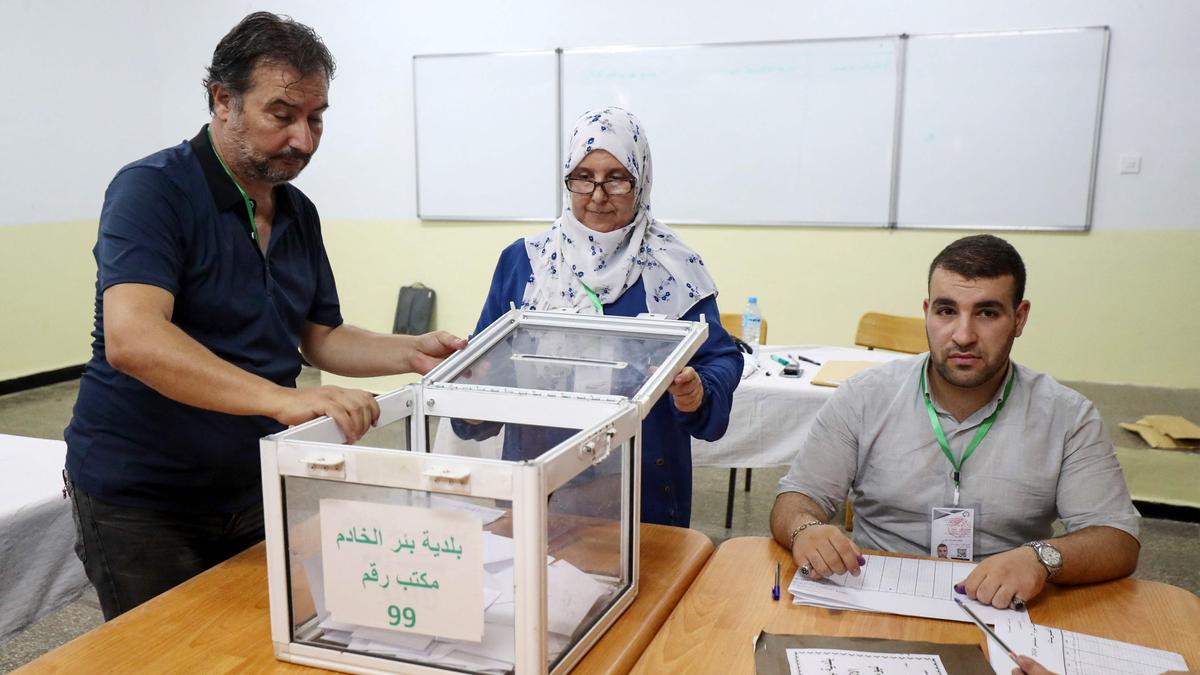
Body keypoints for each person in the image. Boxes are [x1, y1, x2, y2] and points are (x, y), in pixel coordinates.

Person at [64, 12, 465, 620]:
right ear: (223, 100)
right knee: (165, 655)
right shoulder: (152, 190)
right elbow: (134, 338)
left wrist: (411, 353)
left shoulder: (297, 211)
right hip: (144, 497)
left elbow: (321, 336)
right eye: (282, 115)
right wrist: (281, 400)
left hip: (252, 480)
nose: (303, 139)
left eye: (316, 117)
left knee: (261, 638)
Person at [769, 234, 1140, 609]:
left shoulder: (1067, 416)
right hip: (875, 597)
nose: (963, 336)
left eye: (987, 313)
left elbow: (1118, 540)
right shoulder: (864, 397)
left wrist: (1040, 558)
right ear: (927, 312)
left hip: (1005, 605)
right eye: (947, 311)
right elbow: (797, 499)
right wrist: (806, 528)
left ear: (1020, 318)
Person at [455, 108, 742, 527]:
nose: (597, 194)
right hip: (541, 489)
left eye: (617, 178)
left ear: (640, 181)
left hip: (642, 499)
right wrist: (473, 397)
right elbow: (484, 366)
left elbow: (722, 358)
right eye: (583, 177)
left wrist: (700, 390)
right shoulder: (526, 263)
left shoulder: (674, 267)